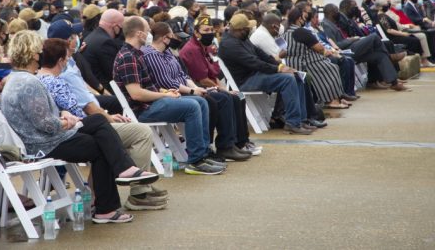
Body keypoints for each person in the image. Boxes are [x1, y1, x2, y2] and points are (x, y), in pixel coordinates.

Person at [2, 30, 158, 224]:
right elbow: (46, 125)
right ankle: (109, 202)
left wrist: (62, 115)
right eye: (40, 50)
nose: (42, 53)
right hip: (45, 144)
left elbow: (37, 117)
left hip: (39, 140)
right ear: (33, 54)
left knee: (99, 123)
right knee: (102, 142)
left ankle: (120, 177)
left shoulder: (16, 79)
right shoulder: (28, 83)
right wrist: (67, 121)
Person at [38, 38, 168, 211]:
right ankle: (136, 191)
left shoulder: (40, 79)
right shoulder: (59, 79)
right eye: (68, 56)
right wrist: (107, 118)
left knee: (108, 137)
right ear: (60, 60)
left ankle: (109, 192)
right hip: (72, 130)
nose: (70, 59)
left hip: (60, 132)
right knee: (140, 132)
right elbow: (80, 111)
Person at [113, 16, 224, 175]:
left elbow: (146, 87)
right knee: (192, 106)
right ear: (139, 34)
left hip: (151, 103)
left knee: (200, 102)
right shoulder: (128, 57)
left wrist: (165, 93)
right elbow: (136, 94)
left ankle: (202, 153)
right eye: (147, 31)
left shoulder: (136, 54)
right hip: (143, 109)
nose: (150, 34)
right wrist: (163, 96)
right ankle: (196, 160)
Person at [143, 21, 251, 161]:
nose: (176, 39)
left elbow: (183, 75)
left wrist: (195, 88)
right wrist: (194, 91)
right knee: (210, 101)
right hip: (172, 92)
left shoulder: (168, 51)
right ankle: (206, 148)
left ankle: (228, 145)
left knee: (227, 98)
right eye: (172, 36)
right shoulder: (154, 54)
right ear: (164, 38)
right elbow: (167, 82)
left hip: (186, 88)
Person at [218, 14, 313, 134]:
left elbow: (261, 55)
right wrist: (278, 69)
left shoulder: (241, 38)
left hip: (255, 75)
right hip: (245, 81)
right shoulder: (230, 45)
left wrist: (282, 66)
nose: (250, 30)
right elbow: (255, 63)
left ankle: (301, 120)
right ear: (240, 30)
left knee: (297, 76)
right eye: (248, 28)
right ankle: (293, 123)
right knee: (288, 80)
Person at [321, 3, 409, 91]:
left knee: (380, 55)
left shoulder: (333, 23)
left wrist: (351, 39)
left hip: (350, 47)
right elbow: (336, 45)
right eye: (337, 11)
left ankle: (393, 83)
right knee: (374, 37)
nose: (339, 13)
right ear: (331, 13)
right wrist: (351, 40)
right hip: (345, 51)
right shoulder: (326, 25)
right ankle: (390, 56)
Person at [283, 7, 348, 110]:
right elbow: (319, 48)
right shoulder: (301, 32)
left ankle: (337, 98)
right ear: (299, 19)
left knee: (330, 65)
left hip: (293, 62)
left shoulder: (287, 31)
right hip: (304, 62)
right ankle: (332, 100)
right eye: (304, 17)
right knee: (332, 68)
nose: (305, 19)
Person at [82, 9, 125, 91]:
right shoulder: (105, 42)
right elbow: (114, 73)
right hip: (107, 90)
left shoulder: (93, 36)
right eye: (121, 27)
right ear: (115, 26)